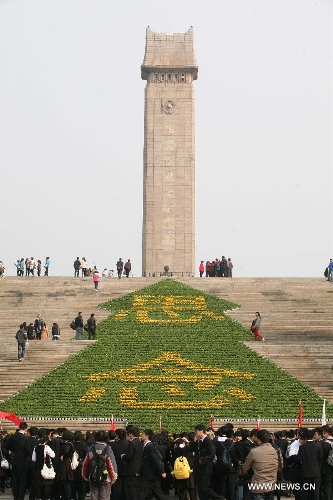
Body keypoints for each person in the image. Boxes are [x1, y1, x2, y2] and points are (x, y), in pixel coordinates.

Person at [190, 424, 224, 500]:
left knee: (204, 487)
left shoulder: (208, 441)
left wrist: (203, 460)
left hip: (206, 468)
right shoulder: (198, 441)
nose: (195, 433)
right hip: (198, 469)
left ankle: (219, 498)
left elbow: (212, 454)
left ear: (201, 431)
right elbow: (191, 449)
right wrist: (194, 441)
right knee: (200, 489)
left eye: (196, 431)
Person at [243, 429, 278, 500]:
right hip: (271, 484)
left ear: (258, 439)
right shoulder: (275, 450)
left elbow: (245, 468)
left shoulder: (254, 451)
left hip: (258, 485)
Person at [82, 430, 117, 500]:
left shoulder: (91, 448)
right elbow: (111, 464)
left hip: (93, 476)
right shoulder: (108, 449)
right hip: (106, 477)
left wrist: (85, 476)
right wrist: (113, 477)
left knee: (94, 497)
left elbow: (85, 464)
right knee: (104, 497)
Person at [138, 429, 168, 500]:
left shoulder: (149, 446)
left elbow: (155, 459)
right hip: (151, 475)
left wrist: (162, 471)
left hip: (149, 475)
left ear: (147, 436)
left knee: (142, 494)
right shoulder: (147, 446)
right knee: (159, 494)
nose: (141, 435)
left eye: (143, 434)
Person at [6, 422, 31, 500]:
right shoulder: (25, 438)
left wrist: (13, 450)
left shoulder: (13, 436)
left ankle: (16, 496)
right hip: (23, 461)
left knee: (15, 479)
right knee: (22, 480)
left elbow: (6, 445)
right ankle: (20, 497)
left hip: (14, 460)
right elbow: (28, 451)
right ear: (26, 428)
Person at [32, 428, 56, 500]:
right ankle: (45, 497)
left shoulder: (36, 447)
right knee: (46, 484)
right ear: (46, 440)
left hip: (38, 468)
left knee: (39, 484)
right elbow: (53, 455)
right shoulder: (46, 447)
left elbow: (33, 458)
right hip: (45, 467)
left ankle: (38, 497)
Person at [121, 426, 142, 500]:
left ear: (131, 434)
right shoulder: (140, 442)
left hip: (132, 469)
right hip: (139, 468)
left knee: (131, 488)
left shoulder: (132, 443)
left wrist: (123, 456)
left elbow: (129, 456)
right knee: (137, 488)